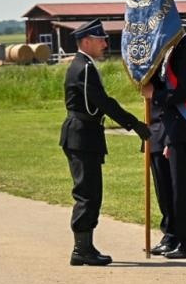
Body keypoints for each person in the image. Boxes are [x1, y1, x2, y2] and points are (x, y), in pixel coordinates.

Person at [59, 20, 148, 266]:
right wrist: (134, 124)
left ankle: (84, 247)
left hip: (85, 135)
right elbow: (103, 102)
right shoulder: (84, 67)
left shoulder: (84, 65)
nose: (105, 44)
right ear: (86, 41)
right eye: (101, 40)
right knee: (87, 193)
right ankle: (81, 249)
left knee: (91, 193)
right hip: (82, 136)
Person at [143, 31, 186, 259]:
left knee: (183, 191)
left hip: (183, 129)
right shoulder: (177, 49)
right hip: (174, 129)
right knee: (176, 191)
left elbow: (182, 92)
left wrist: (156, 95)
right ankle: (182, 238)